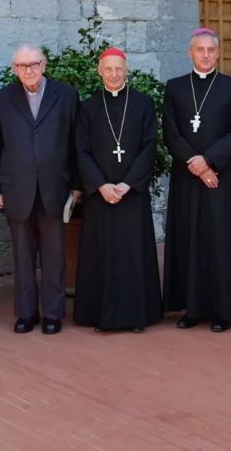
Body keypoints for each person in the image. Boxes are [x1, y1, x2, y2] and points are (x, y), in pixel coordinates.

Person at [162, 28, 231, 332]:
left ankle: (223, 309)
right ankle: (193, 307)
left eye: (210, 50)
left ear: (218, 53)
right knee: (190, 239)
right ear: (190, 53)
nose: (205, 54)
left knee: (221, 240)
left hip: (224, 177)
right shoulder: (175, 87)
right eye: (200, 49)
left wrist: (210, 160)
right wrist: (197, 166)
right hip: (188, 177)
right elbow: (170, 132)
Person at [0, 45, 80, 335]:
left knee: (54, 254)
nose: (29, 70)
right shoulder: (1, 100)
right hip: (16, 189)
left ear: (44, 63)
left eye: (34, 64)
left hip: (56, 187)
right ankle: (26, 313)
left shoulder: (66, 95)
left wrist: (77, 185)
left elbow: (77, 142)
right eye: (22, 66)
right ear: (14, 69)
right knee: (22, 255)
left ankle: (53, 314)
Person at [73, 47, 162, 332]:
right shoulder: (87, 107)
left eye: (119, 69)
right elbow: (81, 151)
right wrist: (100, 185)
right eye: (108, 69)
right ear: (99, 71)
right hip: (101, 195)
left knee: (133, 253)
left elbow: (150, 147)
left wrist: (127, 184)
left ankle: (137, 316)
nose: (114, 74)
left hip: (131, 193)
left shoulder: (142, 103)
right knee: (102, 253)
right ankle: (100, 315)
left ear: (126, 71)